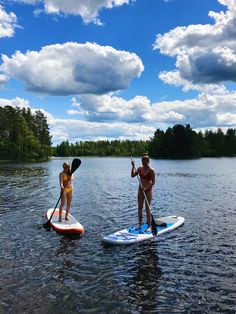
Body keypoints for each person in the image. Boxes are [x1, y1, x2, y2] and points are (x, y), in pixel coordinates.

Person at [131, 153, 155, 232]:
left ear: (148, 161)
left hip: (148, 191)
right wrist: (133, 167)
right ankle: (140, 225)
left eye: (145, 160)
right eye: (142, 160)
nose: (143, 162)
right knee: (140, 208)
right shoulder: (140, 169)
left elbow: (153, 182)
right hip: (140, 191)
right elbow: (132, 175)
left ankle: (148, 226)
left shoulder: (151, 170)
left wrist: (146, 188)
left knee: (147, 208)